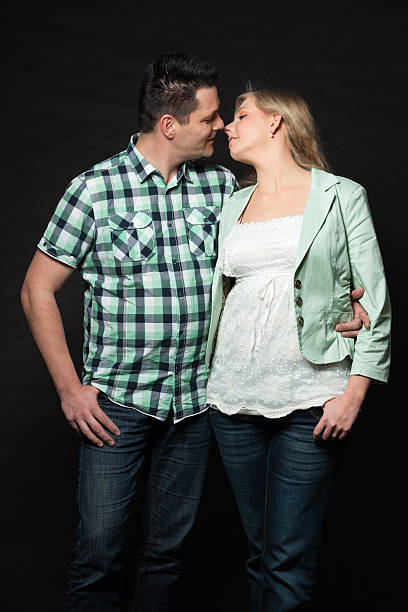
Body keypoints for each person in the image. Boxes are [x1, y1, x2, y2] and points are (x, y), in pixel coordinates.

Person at [20, 54, 367, 612]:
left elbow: (276, 262)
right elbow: (37, 289)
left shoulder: (223, 188)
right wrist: (69, 389)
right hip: (117, 405)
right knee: (99, 557)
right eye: (209, 117)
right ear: (169, 124)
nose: (221, 126)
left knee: (165, 556)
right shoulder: (94, 189)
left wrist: (343, 307)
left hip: (197, 405)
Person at [205, 88, 391, 611]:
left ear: (277, 123)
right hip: (231, 396)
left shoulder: (339, 195)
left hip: (312, 394)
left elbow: (373, 300)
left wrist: (354, 394)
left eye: (241, 116)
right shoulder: (231, 202)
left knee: (287, 554)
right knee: (259, 549)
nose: (226, 127)